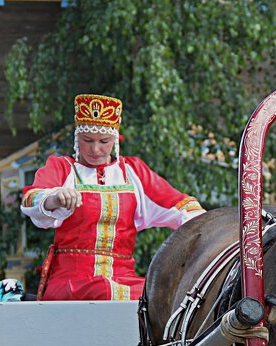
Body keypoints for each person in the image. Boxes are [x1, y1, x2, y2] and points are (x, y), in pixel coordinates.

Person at [20, 93, 204, 301]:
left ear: (115, 140)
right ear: (76, 137)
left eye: (104, 141)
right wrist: (54, 198)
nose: (95, 149)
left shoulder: (133, 172)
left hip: (123, 278)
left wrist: (215, 229)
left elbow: (180, 206)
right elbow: (31, 199)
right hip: (70, 281)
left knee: (162, 296)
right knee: (105, 290)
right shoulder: (62, 168)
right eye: (87, 140)